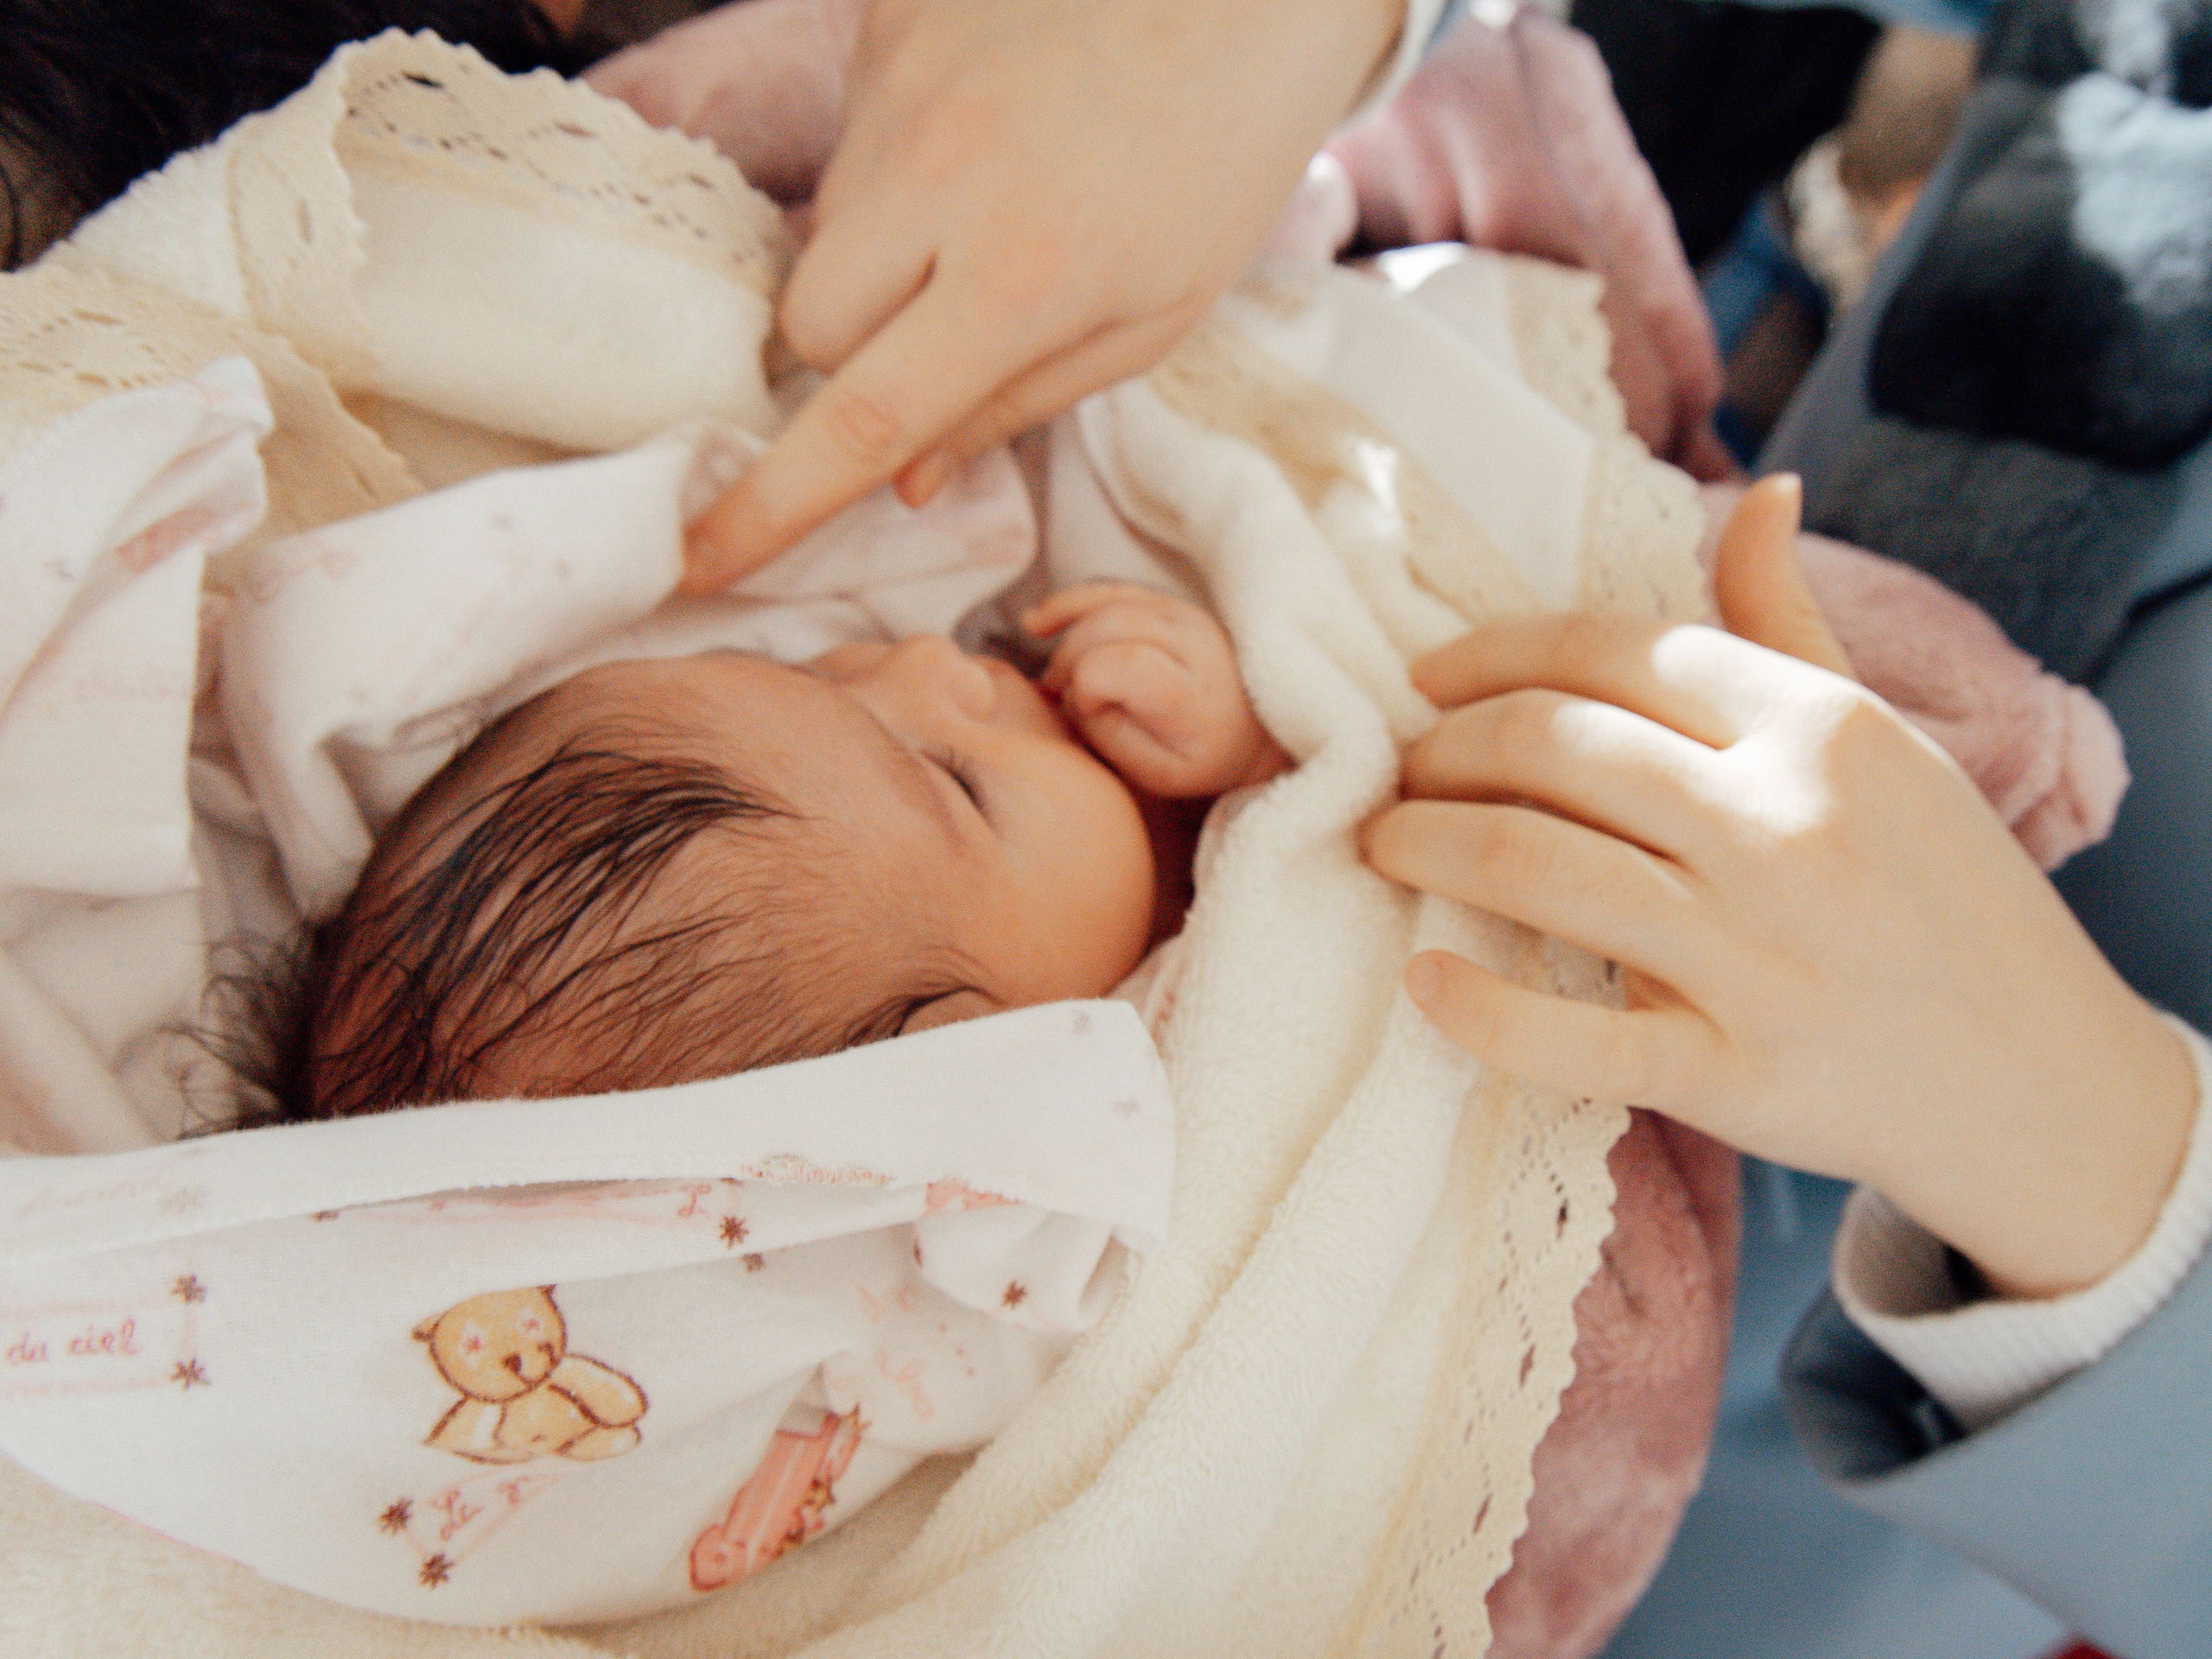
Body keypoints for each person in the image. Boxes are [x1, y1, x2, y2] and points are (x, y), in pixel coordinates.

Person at [282, 582, 1279, 1119]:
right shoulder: (1171, 1076)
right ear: (987, 1066)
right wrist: (1267, 761)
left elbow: (1366, 688)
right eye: (957, 785)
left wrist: (1280, 696)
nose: (932, 661)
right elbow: (1348, 862)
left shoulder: (1039, 654)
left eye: (818, 674)